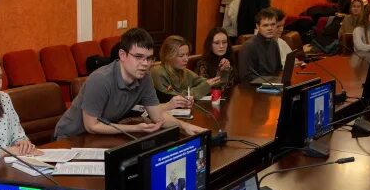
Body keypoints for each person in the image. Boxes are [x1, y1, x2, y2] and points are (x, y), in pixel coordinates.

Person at [54, 28, 206, 138]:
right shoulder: (100, 79)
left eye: (149, 58)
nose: (145, 63)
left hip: (98, 136)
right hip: (69, 138)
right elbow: (91, 126)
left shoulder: (145, 78)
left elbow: (158, 115)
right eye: (139, 57)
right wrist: (134, 128)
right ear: (122, 55)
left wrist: (185, 126)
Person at [150, 35, 210, 104]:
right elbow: (173, 98)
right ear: (168, 56)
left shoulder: (184, 71)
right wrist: (200, 90)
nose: (186, 59)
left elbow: (209, 83)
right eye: (181, 56)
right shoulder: (157, 72)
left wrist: (224, 71)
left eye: (187, 55)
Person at [233, 9, 282, 84]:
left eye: (273, 24)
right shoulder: (249, 46)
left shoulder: (274, 43)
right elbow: (246, 77)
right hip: (254, 90)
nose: (270, 28)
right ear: (258, 27)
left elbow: (278, 68)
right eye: (265, 25)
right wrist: (272, 81)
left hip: (272, 85)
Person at [194, 26, 236, 92]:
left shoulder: (231, 58)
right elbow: (206, 90)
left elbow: (232, 87)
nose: (221, 46)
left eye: (224, 42)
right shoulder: (202, 64)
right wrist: (222, 72)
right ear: (210, 45)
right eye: (217, 43)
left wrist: (228, 69)